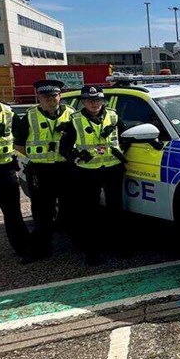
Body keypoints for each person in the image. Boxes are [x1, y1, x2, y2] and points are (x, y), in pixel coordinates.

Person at [59, 85, 127, 265]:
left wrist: (120, 152)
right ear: (83, 102)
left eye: (97, 100)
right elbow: (64, 148)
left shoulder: (113, 116)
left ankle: (119, 246)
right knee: (90, 213)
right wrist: (77, 157)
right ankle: (92, 252)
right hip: (87, 172)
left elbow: (125, 138)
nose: (94, 103)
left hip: (113, 169)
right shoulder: (75, 120)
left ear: (103, 100)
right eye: (90, 100)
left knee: (116, 209)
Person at [13, 80, 75, 259]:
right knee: (42, 213)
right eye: (45, 96)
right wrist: (37, 158)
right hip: (41, 171)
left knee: (72, 208)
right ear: (39, 97)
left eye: (54, 96)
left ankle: (74, 246)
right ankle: (41, 249)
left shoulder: (72, 114)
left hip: (66, 169)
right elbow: (19, 145)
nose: (50, 99)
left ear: (60, 96)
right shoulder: (30, 116)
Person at [0, 78, 31, 261]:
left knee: (13, 213)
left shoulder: (8, 113)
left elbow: (22, 137)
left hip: (4, 171)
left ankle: (23, 249)